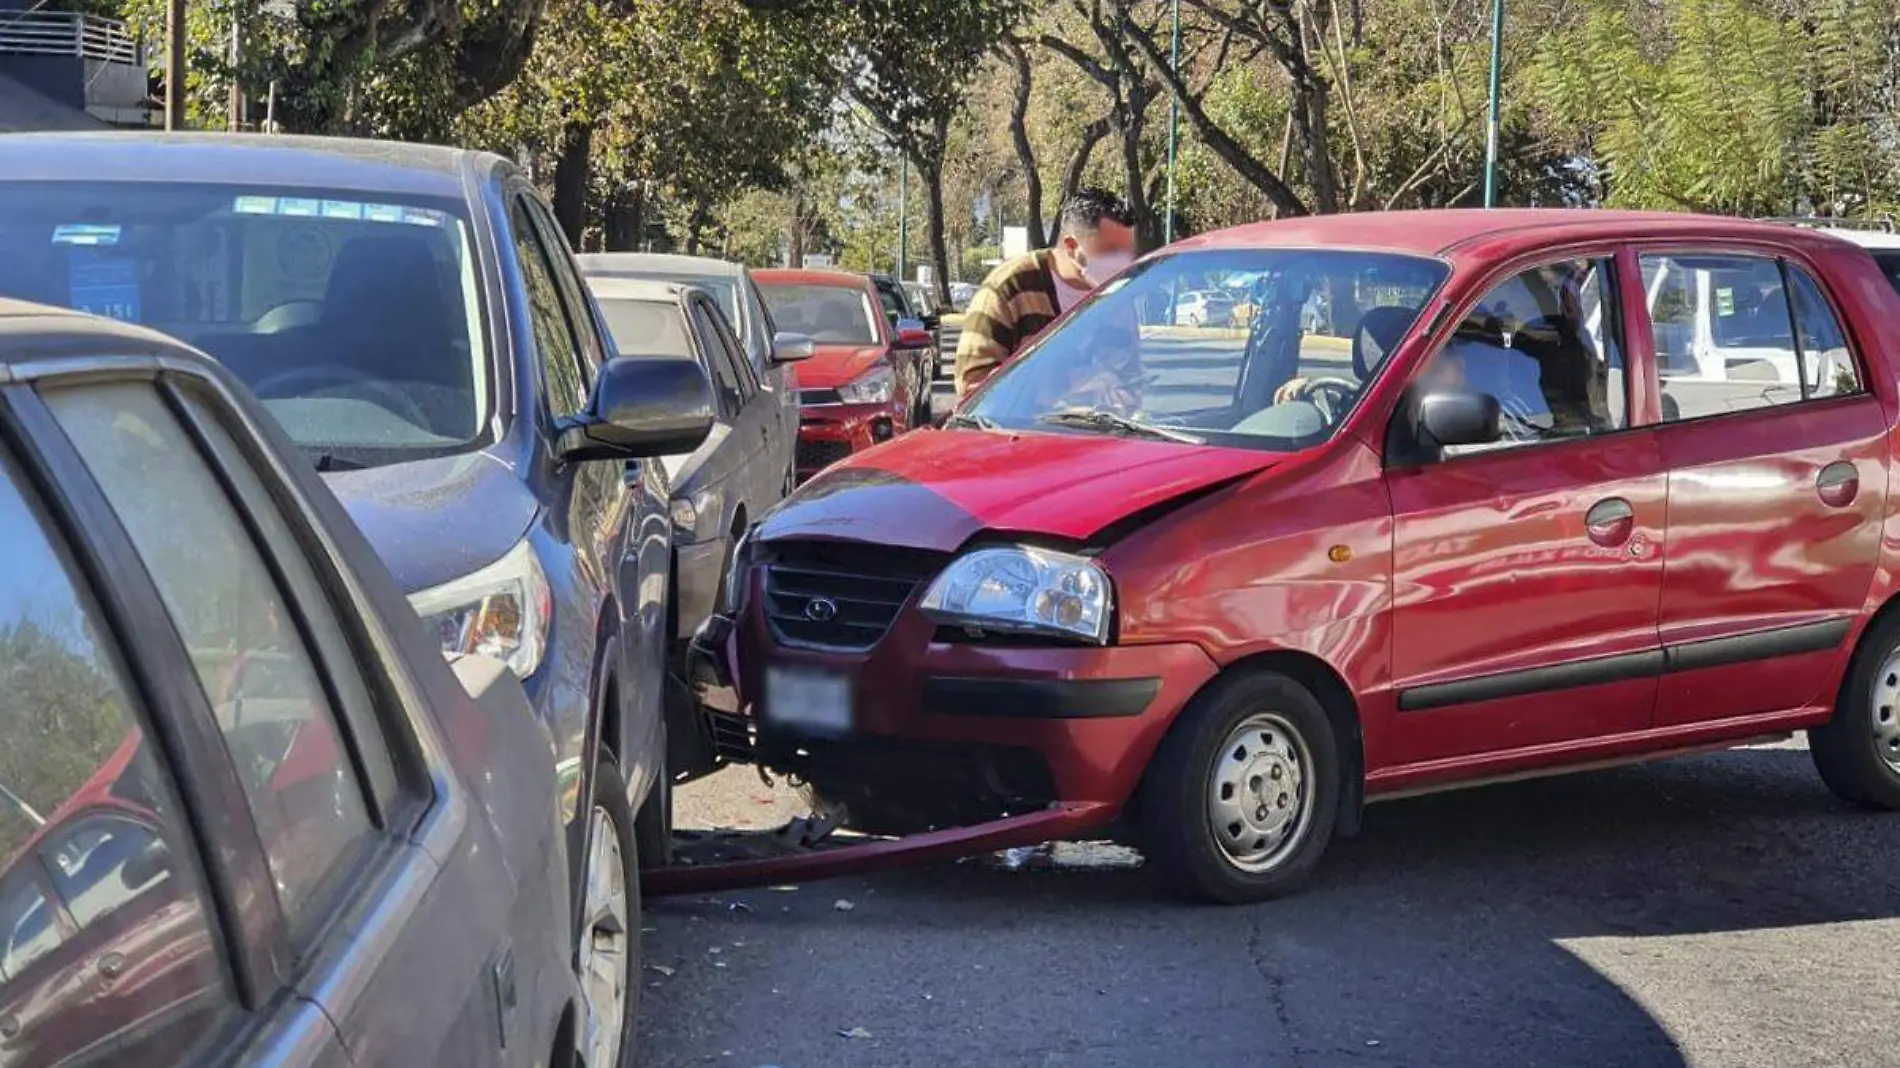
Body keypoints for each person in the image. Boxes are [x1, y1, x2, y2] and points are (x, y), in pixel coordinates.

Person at [953, 186, 1137, 398]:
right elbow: (970, 385)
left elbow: (1131, 382)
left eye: (1127, 252)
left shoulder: (1118, 297)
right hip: (1019, 429)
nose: (1123, 262)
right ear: (1071, 248)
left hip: (1095, 430)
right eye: (1111, 251)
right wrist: (1067, 383)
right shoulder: (1009, 287)